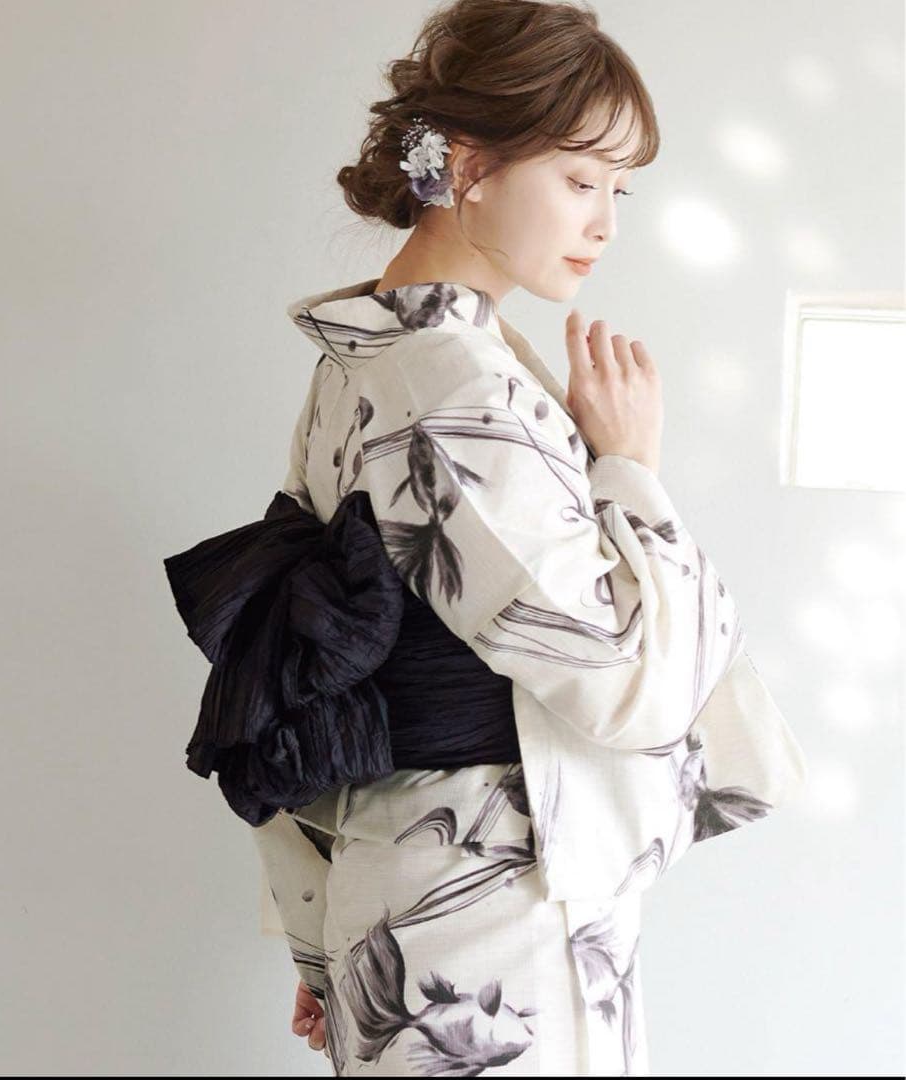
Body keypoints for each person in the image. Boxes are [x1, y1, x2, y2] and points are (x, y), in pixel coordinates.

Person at [243, 0, 808, 1074]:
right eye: (580, 179)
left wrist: (326, 940)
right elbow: (624, 686)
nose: (605, 223)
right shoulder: (448, 382)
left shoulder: (364, 364)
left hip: (418, 896)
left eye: (619, 190)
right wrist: (629, 467)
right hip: (494, 921)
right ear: (468, 166)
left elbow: (280, 683)